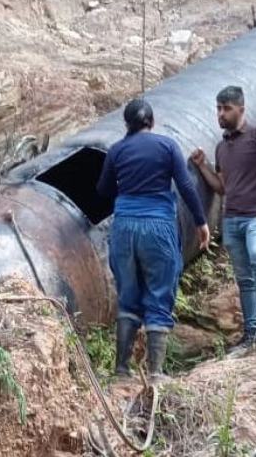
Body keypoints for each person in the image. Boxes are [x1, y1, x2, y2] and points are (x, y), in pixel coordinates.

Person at [97, 98, 210, 382]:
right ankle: (156, 373)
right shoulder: (168, 146)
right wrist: (200, 221)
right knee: (160, 292)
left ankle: (121, 371)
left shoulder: (117, 150)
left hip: (124, 228)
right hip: (158, 226)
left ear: (126, 124)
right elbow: (185, 185)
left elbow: (103, 189)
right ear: (152, 121)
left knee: (128, 297)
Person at [191, 85, 256, 353]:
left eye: (227, 108)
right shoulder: (221, 147)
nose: (221, 114)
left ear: (241, 109)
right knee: (244, 278)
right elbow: (222, 187)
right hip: (232, 221)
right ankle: (250, 333)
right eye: (219, 109)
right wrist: (202, 166)